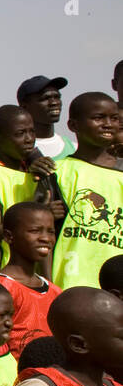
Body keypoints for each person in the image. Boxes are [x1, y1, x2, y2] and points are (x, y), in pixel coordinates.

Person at [48, 92, 123, 289]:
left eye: (114, 118)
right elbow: (43, 236)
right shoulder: (56, 171)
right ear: (73, 126)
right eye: (98, 118)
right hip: (70, 284)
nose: (108, 124)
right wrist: (48, 285)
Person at [0, 104, 59, 272]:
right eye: (20, 134)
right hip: (0, 270)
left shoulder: (40, 175)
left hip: (35, 274)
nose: (29, 139)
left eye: (32, 131)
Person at [0, 202, 62, 354]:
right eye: (35, 231)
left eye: (50, 232)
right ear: (9, 237)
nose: (45, 238)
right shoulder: (0, 289)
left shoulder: (54, 291)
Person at [17, 75, 76, 160]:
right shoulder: (15, 152)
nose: (54, 103)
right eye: (45, 98)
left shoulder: (74, 149)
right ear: (24, 106)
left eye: (57, 97)